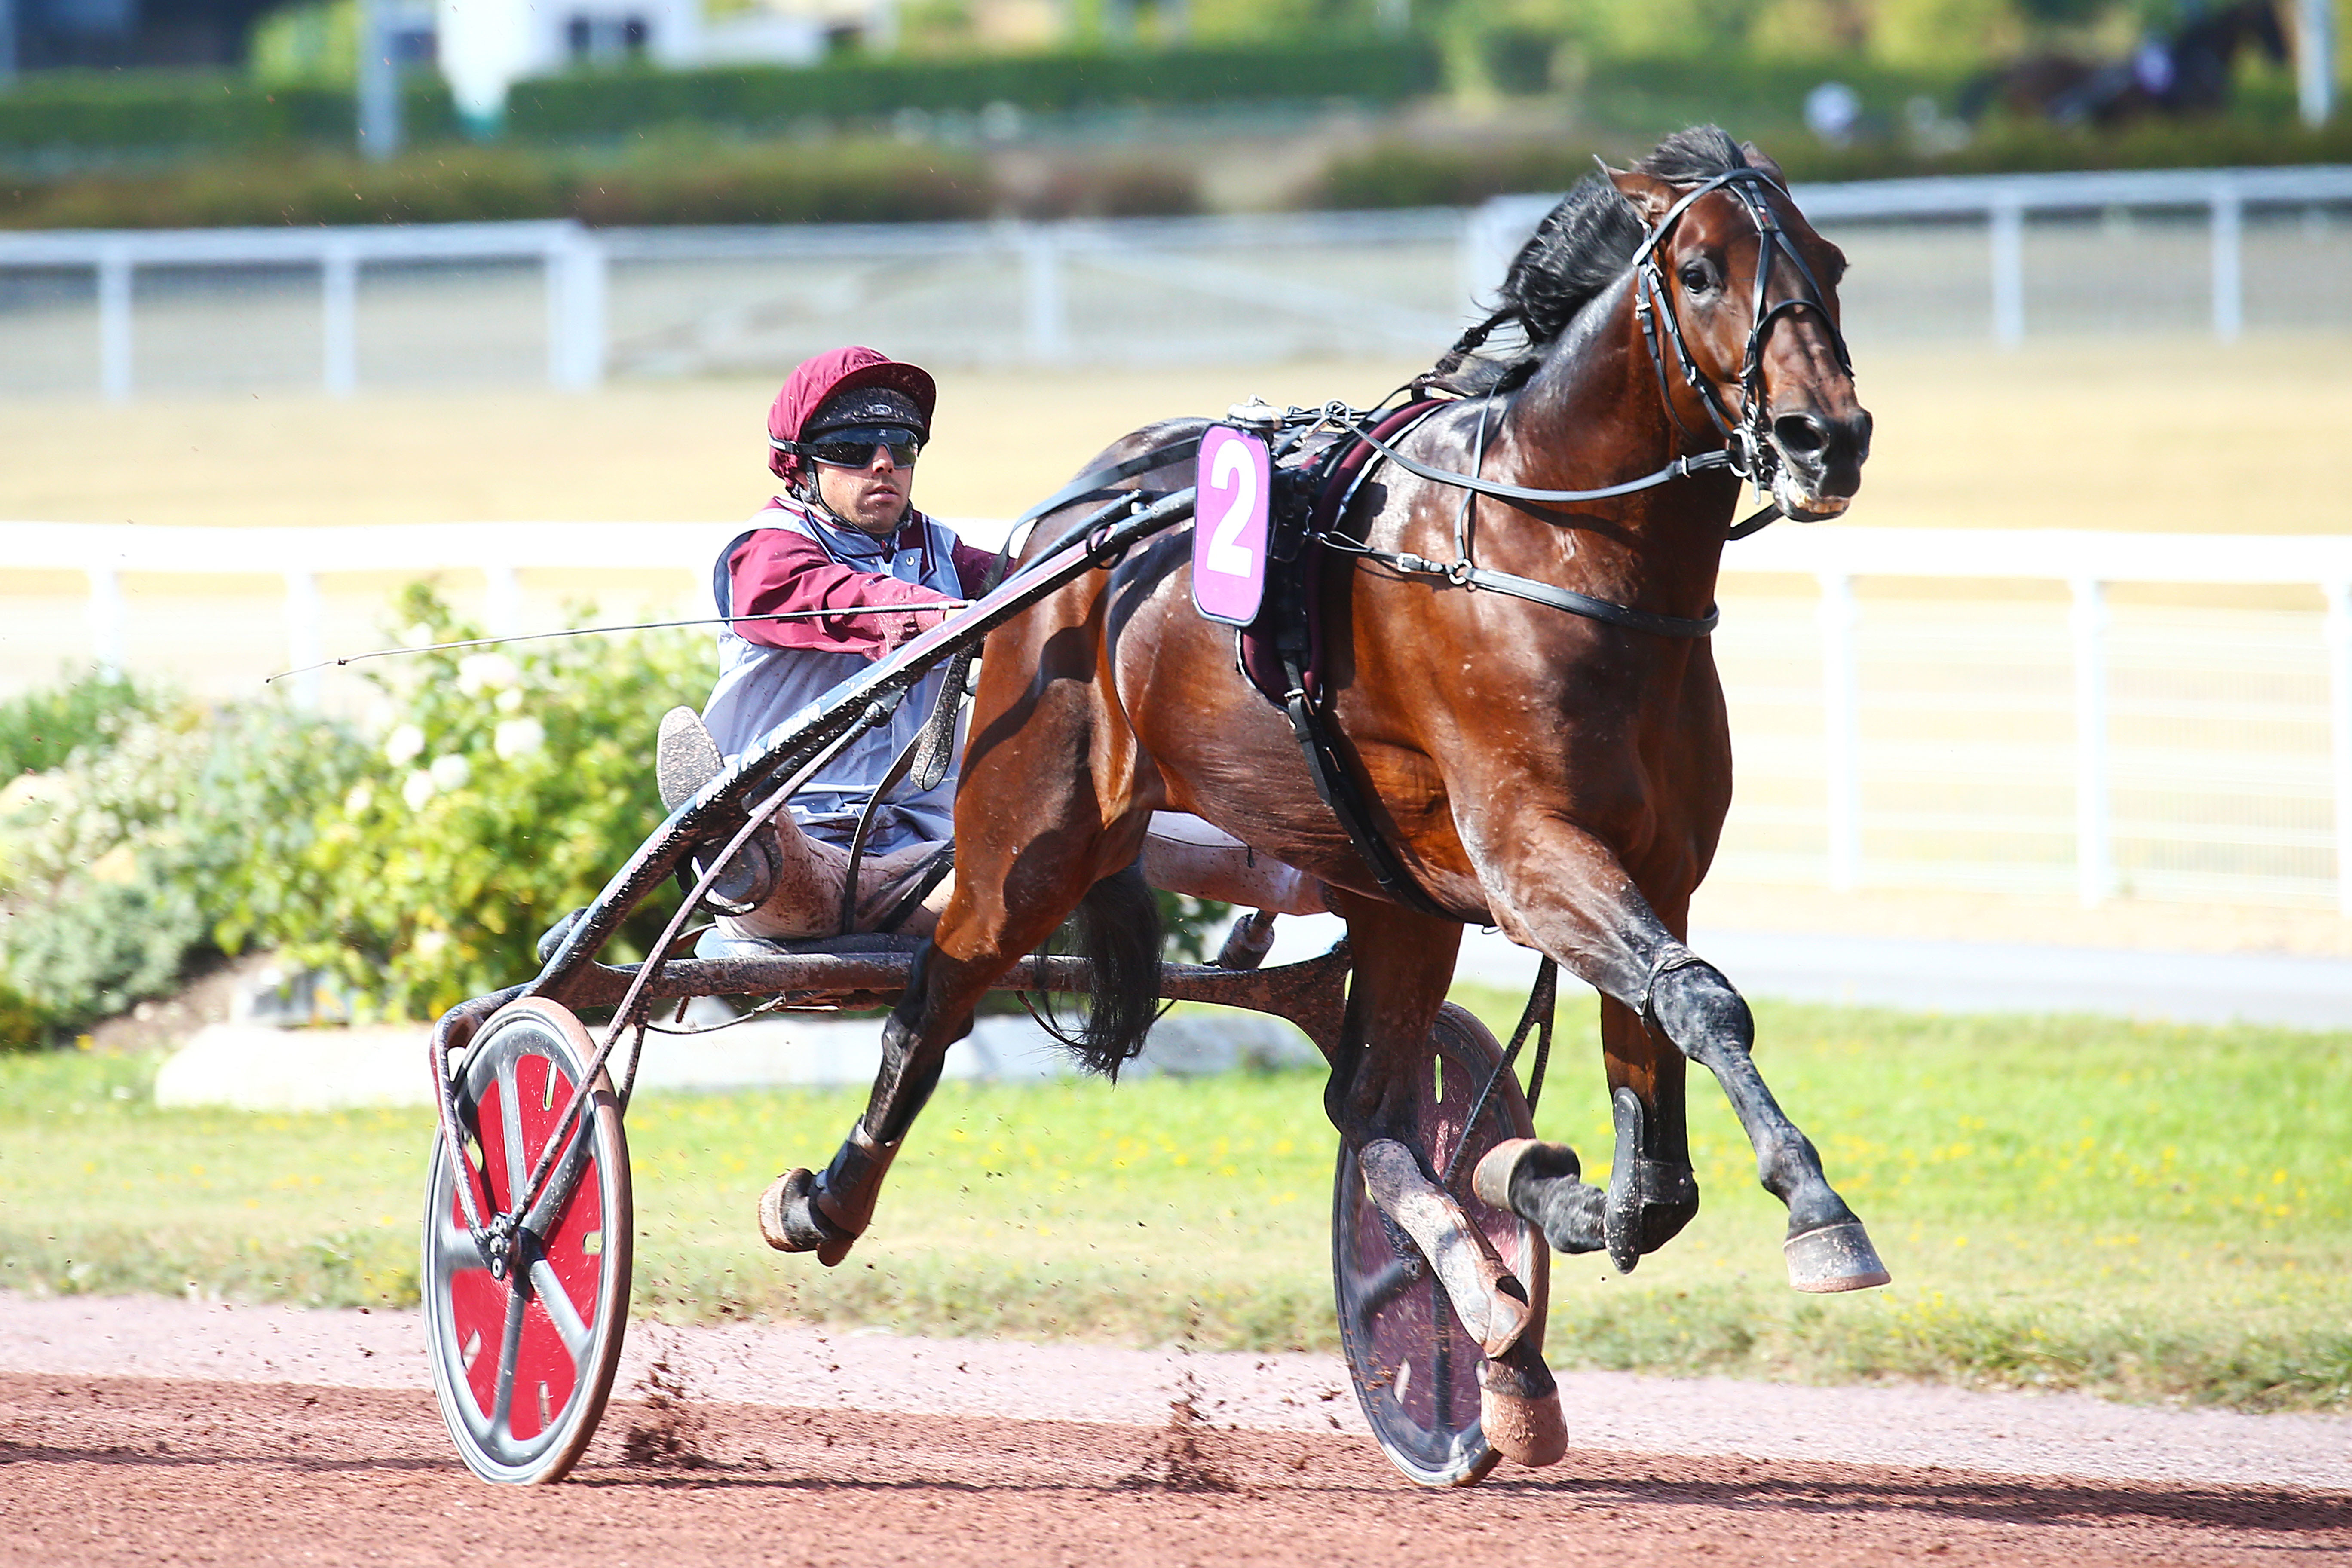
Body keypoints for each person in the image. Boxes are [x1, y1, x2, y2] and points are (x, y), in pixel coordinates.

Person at [660, 344, 1325, 946]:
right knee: (811, 871)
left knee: (1110, 809)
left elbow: (1051, 590)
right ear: (799, 463)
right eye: (855, 446)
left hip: (935, 845)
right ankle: (736, 841)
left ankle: (1334, 868)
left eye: (901, 446)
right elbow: (854, 601)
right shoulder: (763, 554)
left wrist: (1157, 568)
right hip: (798, 836)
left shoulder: (939, 550)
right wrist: (956, 619)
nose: (884, 463)